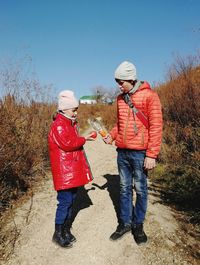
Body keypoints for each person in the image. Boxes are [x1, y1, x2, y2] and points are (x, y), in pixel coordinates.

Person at [104, 61, 163, 245]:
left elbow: (156, 126)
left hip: (140, 154)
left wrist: (152, 155)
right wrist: (111, 136)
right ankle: (125, 223)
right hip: (122, 152)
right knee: (123, 189)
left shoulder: (150, 96)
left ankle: (138, 225)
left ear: (131, 79)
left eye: (121, 82)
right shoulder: (120, 99)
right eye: (117, 81)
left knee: (141, 190)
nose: (119, 85)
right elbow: (119, 124)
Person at [48, 90, 95, 248]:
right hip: (64, 172)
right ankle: (58, 233)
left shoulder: (69, 123)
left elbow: (72, 141)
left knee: (71, 200)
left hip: (70, 171)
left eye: (76, 109)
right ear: (63, 109)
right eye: (73, 109)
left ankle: (66, 229)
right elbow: (68, 144)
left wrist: (82, 138)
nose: (76, 112)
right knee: (65, 202)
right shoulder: (59, 125)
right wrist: (84, 139)